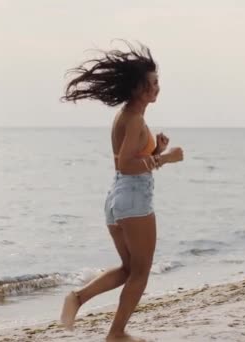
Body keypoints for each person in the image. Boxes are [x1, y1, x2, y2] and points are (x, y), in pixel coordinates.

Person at [59, 41, 185, 342]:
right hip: (133, 199)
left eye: (158, 82)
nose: (157, 88)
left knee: (130, 268)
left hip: (117, 199)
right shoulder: (134, 118)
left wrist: (156, 148)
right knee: (140, 273)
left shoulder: (127, 116)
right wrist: (166, 158)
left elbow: (128, 161)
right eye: (152, 83)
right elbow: (128, 164)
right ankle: (116, 333)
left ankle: (77, 298)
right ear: (138, 87)